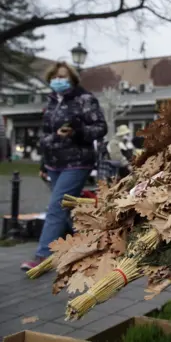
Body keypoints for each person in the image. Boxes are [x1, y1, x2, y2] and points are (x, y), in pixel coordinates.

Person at [21, 62, 107, 270]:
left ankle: (43, 256)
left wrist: (77, 129)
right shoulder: (51, 102)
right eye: (56, 77)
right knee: (64, 209)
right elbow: (45, 136)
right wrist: (44, 159)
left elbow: (100, 128)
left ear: (72, 79)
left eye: (64, 77)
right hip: (54, 163)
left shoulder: (84, 99)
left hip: (77, 162)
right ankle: (88, 247)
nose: (59, 80)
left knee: (56, 207)